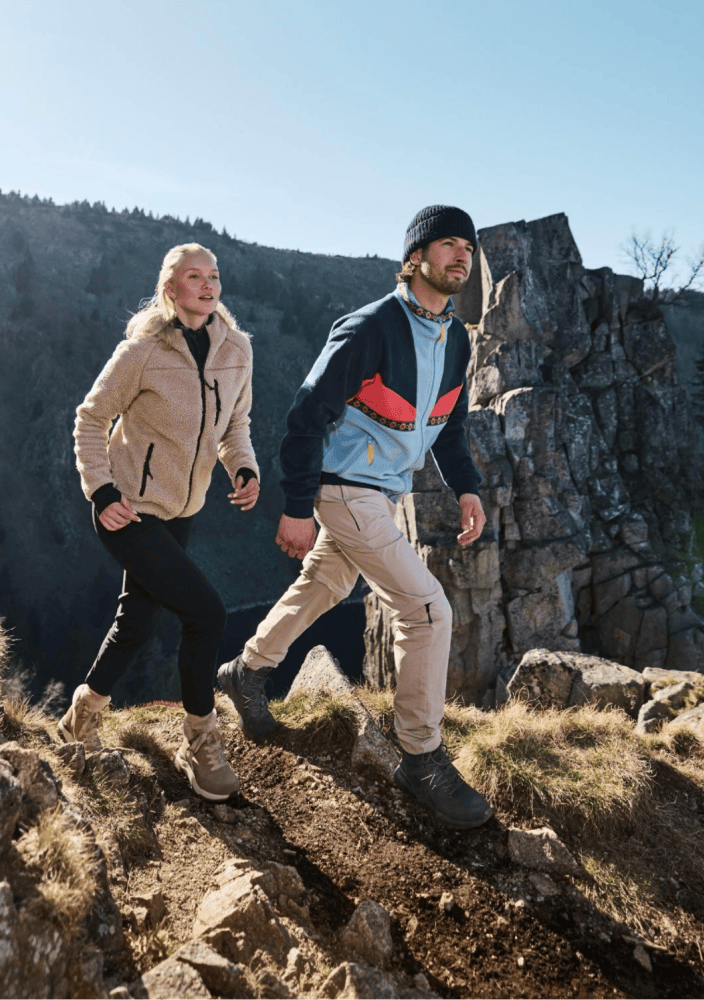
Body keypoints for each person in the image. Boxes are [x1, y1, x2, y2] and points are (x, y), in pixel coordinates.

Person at [218, 205, 493, 829]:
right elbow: (305, 417)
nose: (460, 256)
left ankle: (247, 673)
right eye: (446, 244)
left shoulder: (456, 339)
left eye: (467, 249)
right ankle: (420, 754)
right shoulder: (370, 327)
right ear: (415, 256)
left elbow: (449, 426)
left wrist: (467, 489)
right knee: (427, 611)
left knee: (326, 583)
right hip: (343, 489)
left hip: (382, 490)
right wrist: (295, 508)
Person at [62, 242, 259, 802]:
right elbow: (90, 419)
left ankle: (81, 717)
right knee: (206, 613)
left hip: (182, 510)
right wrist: (101, 492)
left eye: (213, 275)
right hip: (126, 509)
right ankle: (200, 738)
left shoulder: (237, 350)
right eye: (193, 276)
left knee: (138, 621)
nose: (207, 284)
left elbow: (235, 424)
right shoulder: (142, 352)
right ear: (169, 290)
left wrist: (243, 467)